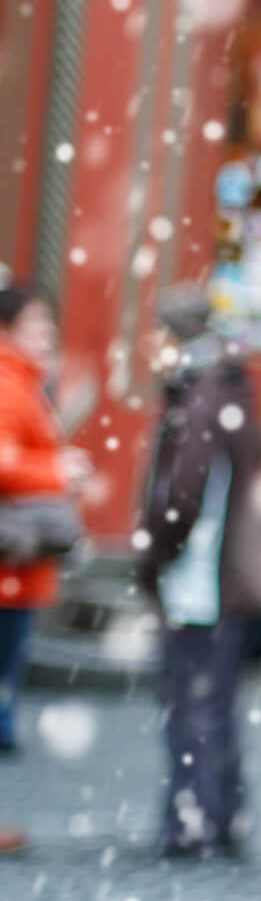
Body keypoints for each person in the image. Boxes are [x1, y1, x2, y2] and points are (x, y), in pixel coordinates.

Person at [136, 286, 261, 858]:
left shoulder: (199, 399)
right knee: (215, 705)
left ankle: (192, 823)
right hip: (232, 576)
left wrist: (153, 556)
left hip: (202, 582)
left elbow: (181, 498)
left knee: (191, 708)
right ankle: (224, 815)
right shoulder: (230, 389)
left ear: (174, 337)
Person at [0, 279, 75, 856]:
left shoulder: (24, 381)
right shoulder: (7, 381)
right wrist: (59, 471)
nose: (47, 335)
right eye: (37, 325)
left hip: (19, 570)